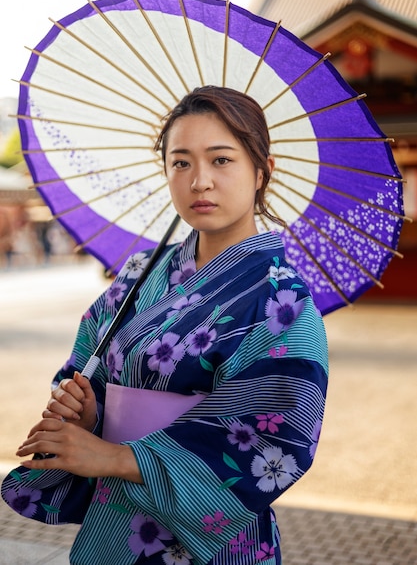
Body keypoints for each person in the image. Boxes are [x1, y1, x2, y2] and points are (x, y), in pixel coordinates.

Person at [2, 86, 328, 565]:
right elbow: (87, 364)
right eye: (181, 162)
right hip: (116, 523)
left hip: (211, 539)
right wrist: (86, 411)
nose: (199, 181)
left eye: (221, 160)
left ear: (262, 171)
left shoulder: (283, 302)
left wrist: (114, 457)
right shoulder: (139, 275)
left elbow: (271, 440)